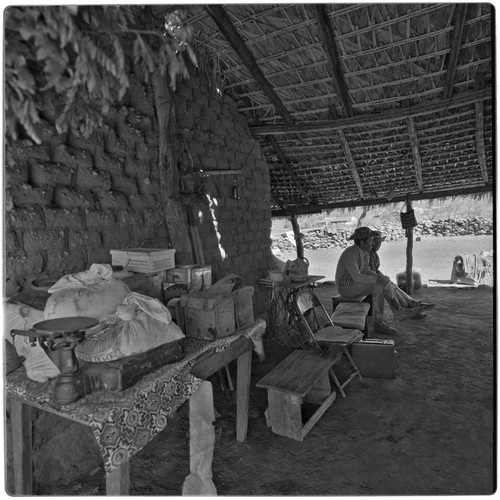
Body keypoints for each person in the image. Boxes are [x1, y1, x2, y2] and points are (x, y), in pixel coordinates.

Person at [335, 227, 424, 335]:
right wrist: (377, 278)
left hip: (355, 285)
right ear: (363, 242)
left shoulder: (365, 252)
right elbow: (356, 276)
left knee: (380, 285)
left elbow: (366, 270)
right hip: (346, 288)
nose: (373, 243)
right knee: (379, 284)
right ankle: (397, 312)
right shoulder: (350, 253)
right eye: (371, 241)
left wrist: (379, 277)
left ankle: (382, 321)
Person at [370, 230, 435, 318]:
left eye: (379, 242)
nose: (378, 244)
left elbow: (375, 270)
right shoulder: (369, 254)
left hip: (373, 278)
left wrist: (383, 277)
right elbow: (370, 272)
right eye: (376, 242)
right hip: (369, 281)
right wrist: (383, 278)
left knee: (393, 286)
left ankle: (411, 306)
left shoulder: (373, 253)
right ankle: (410, 307)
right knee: (389, 286)